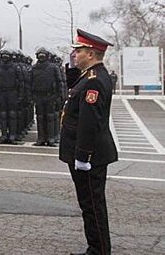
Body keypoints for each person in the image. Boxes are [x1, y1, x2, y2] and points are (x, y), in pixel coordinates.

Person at [60, 29, 117, 255]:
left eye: (79, 51)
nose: (75, 54)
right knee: (89, 204)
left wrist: (82, 156)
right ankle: (96, 247)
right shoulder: (89, 76)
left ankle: (99, 250)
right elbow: (74, 90)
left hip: (89, 155)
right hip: (87, 153)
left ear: (91, 54)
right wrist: (72, 69)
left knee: (92, 206)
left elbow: (89, 122)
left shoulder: (93, 82)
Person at [31, 47, 65, 147]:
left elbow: (60, 82)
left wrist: (59, 95)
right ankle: (41, 138)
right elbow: (30, 82)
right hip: (38, 96)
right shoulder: (34, 68)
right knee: (40, 118)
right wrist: (32, 96)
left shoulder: (53, 67)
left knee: (50, 117)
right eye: (39, 55)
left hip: (51, 96)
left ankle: (51, 138)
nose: (41, 57)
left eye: (43, 54)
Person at [0, 49, 22, 144]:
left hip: (12, 92)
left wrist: (20, 95)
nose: (5, 57)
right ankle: (4, 135)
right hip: (1, 92)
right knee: (3, 115)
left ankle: (12, 135)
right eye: (3, 55)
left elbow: (20, 82)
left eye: (7, 55)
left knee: (12, 115)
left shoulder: (15, 68)